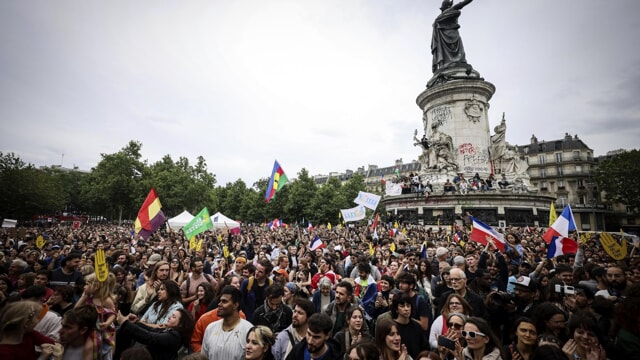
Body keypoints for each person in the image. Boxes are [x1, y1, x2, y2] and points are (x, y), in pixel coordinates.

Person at [115, 308, 194, 360]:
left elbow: (150, 337)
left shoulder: (174, 337)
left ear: (181, 324)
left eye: (174, 317)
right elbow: (151, 330)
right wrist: (135, 322)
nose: (169, 317)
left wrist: (125, 323)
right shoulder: (169, 330)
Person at [201, 285, 254, 360]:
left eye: (224, 301)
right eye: (220, 301)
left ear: (235, 305)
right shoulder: (210, 328)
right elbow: (204, 357)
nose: (219, 304)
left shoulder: (248, 330)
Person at [75, 272, 117, 359]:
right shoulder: (89, 297)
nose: (84, 287)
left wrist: (107, 323)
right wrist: (83, 297)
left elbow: (113, 314)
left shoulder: (106, 300)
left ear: (96, 286)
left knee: (101, 353)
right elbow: (75, 310)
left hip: (102, 331)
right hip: (89, 327)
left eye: (87, 284)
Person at [392, 292, 429, 359]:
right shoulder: (392, 327)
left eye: (408, 306)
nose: (406, 309)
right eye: (402, 306)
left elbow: (425, 348)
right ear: (396, 309)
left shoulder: (417, 326)